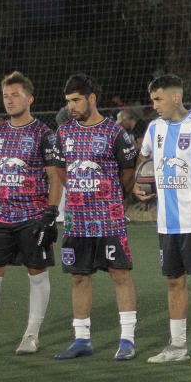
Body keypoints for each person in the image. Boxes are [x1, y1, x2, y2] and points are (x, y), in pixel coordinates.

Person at [0, 71, 64, 356]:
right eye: (6, 95)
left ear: (29, 98)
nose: (9, 100)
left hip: (33, 217)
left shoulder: (45, 135)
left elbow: (55, 178)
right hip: (1, 218)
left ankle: (31, 335)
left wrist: (51, 213)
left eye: (15, 94)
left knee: (37, 274)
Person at [134, 74, 191, 364]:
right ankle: (177, 346)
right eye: (152, 100)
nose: (155, 105)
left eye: (158, 99)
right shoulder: (154, 128)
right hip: (166, 222)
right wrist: (142, 184)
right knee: (173, 281)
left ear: (176, 97)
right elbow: (144, 160)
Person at [53, 74, 140, 361]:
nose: (71, 107)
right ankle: (82, 340)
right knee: (79, 277)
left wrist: (112, 197)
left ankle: (127, 340)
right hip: (77, 220)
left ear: (92, 98)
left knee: (120, 274)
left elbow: (127, 174)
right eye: (68, 102)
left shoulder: (116, 133)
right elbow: (62, 171)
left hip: (109, 219)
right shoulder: (63, 133)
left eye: (76, 100)